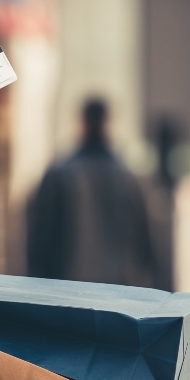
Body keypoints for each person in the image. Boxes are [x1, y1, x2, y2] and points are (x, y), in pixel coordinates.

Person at [26, 97, 155, 288]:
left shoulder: (58, 174)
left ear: (82, 122)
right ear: (108, 123)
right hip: (117, 292)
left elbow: (39, 242)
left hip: (65, 292)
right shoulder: (129, 178)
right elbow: (146, 245)